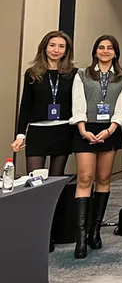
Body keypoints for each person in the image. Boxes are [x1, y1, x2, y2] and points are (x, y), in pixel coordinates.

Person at [70, 35, 122, 259]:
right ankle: (81, 237)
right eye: (101, 47)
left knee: (104, 178)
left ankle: (95, 231)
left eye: (110, 48)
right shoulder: (82, 74)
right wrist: (82, 129)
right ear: (95, 51)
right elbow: (78, 104)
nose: (105, 51)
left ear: (116, 52)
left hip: (110, 130)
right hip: (85, 129)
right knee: (85, 178)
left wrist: (110, 130)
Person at [12, 31, 77, 180]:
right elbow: (26, 105)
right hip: (37, 131)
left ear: (66, 50)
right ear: (45, 47)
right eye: (52, 45)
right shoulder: (33, 73)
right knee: (35, 179)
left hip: (63, 130)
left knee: (56, 178)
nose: (56, 50)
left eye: (61, 46)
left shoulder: (72, 74)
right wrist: (20, 134)